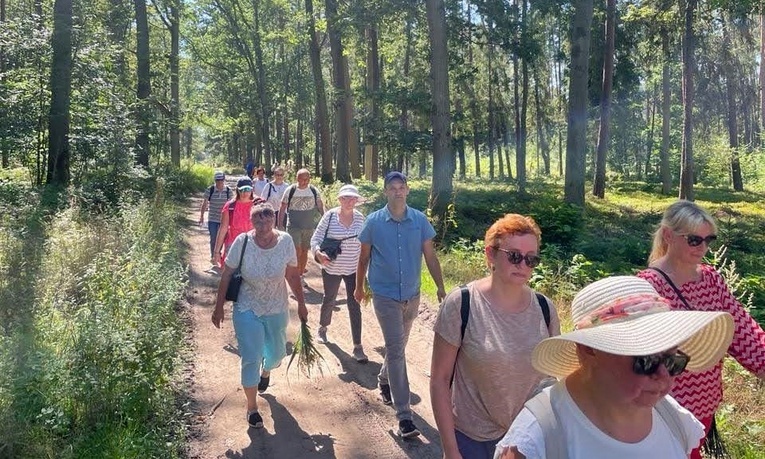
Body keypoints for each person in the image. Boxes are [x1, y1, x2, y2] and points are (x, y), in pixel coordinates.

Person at [494, 275, 735, 459]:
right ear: (589, 350)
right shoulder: (539, 437)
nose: (663, 377)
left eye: (673, 362)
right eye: (646, 362)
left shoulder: (670, 416)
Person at [637, 200, 765, 459]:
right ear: (669, 236)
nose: (703, 247)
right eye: (694, 240)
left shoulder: (712, 280)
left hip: (705, 404)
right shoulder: (648, 286)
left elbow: (743, 331)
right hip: (664, 405)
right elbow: (640, 354)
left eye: (709, 240)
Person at [431, 214, 561, 459]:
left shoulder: (545, 309)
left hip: (527, 440)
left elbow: (551, 379)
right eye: (514, 256)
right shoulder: (462, 303)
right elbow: (440, 379)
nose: (523, 264)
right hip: (472, 441)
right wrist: (450, 449)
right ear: (491, 254)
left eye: (531, 259)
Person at [354, 171, 447, 439]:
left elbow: (430, 255)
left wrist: (440, 286)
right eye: (392, 187)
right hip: (384, 296)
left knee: (399, 347)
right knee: (396, 350)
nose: (397, 191)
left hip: (413, 294)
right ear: (386, 192)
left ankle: (384, 379)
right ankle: (404, 416)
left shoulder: (419, 220)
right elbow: (363, 259)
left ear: (407, 190)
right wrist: (359, 288)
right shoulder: (373, 222)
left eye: (401, 187)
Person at [212, 203, 308, 429]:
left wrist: (302, 304)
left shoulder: (285, 242)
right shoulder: (242, 242)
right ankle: (252, 408)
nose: (263, 225)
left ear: (274, 220)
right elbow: (226, 275)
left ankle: (267, 370)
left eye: (267, 220)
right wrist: (218, 308)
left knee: (276, 355)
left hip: (277, 306)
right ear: (251, 221)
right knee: (250, 357)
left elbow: (293, 275)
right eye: (258, 220)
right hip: (247, 307)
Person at [310, 184, 368, 363]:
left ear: (357, 201)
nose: (349, 201)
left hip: (353, 269)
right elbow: (316, 239)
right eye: (345, 198)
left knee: (354, 304)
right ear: (340, 200)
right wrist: (318, 253)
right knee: (329, 298)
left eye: (353, 198)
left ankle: (357, 346)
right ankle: (323, 327)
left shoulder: (361, 219)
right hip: (332, 268)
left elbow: (367, 244)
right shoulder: (329, 217)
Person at [278, 168, 325, 281]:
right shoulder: (290, 190)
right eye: (302, 179)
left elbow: (319, 205)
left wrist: (324, 219)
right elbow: (283, 206)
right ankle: (293, 273)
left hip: (309, 226)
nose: (305, 181)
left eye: (307, 179)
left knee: (304, 250)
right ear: (297, 178)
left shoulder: (314, 190)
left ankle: (300, 275)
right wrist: (279, 223)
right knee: (296, 249)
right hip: (294, 225)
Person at [213, 178, 263, 268]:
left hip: (254, 244)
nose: (244, 193)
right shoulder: (230, 206)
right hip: (233, 244)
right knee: (229, 274)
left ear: (252, 189)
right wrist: (217, 252)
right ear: (237, 190)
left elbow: (266, 227)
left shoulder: (259, 204)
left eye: (247, 189)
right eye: (242, 190)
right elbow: (223, 228)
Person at [199, 171, 231, 271]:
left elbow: (231, 206)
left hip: (224, 220)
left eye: (221, 180)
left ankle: (219, 256)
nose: (219, 182)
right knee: (213, 238)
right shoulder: (210, 190)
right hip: (212, 218)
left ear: (224, 180)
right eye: (217, 180)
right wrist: (201, 216)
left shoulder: (228, 191)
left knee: (222, 238)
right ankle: (213, 256)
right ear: (215, 180)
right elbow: (204, 203)